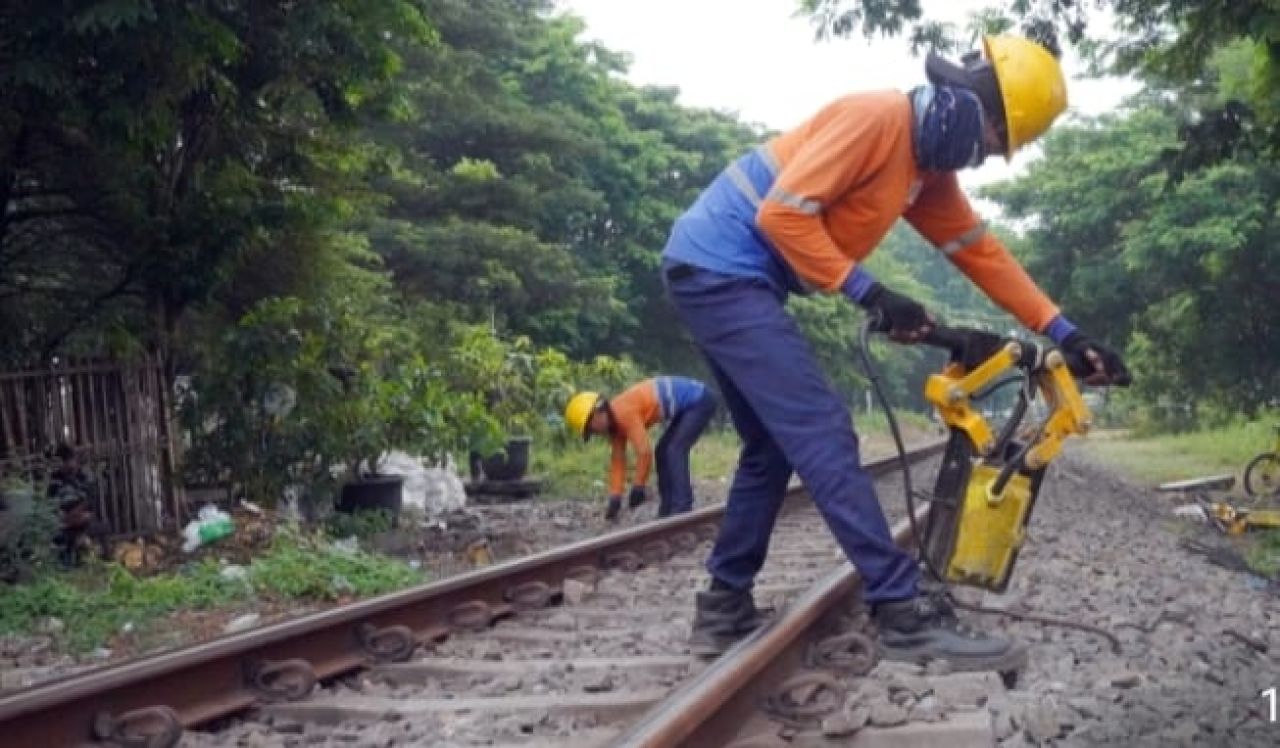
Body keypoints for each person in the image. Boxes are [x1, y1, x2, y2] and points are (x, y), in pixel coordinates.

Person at [659, 36, 1131, 665]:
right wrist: (872, 292)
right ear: (971, 111)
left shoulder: (926, 173)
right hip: (721, 271)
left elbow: (980, 253)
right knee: (825, 430)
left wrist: (1066, 333)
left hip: (722, 275)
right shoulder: (877, 117)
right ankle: (900, 612)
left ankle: (723, 607)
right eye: (993, 142)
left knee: (771, 447)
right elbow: (781, 218)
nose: (986, 158)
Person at [564, 377, 718, 521]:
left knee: (674, 451)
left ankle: (682, 508)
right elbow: (618, 460)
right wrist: (615, 497)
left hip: (699, 400)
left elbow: (644, 451)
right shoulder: (614, 427)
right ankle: (667, 510)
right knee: (663, 451)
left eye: (591, 429)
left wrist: (639, 486)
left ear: (597, 413)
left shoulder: (623, 413)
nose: (595, 433)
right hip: (690, 405)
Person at [46, 443, 108, 566]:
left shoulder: (83, 476)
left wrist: (82, 514)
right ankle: (67, 564)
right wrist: (65, 519)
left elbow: (90, 501)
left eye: (72, 460)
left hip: (82, 518)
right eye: (67, 461)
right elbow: (50, 505)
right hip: (62, 522)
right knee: (60, 537)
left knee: (101, 527)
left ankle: (96, 559)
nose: (71, 464)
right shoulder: (54, 479)